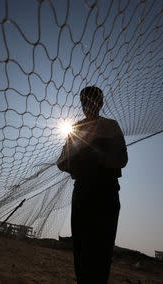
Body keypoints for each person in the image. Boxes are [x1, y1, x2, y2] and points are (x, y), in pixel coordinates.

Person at [57, 86, 128, 283]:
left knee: (101, 252)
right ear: (82, 104)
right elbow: (61, 162)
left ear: (101, 103)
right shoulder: (75, 129)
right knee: (81, 251)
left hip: (105, 194)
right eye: (85, 101)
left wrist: (97, 158)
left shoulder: (111, 126)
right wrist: (75, 163)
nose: (89, 105)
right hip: (83, 193)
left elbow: (122, 158)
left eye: (93, 100)